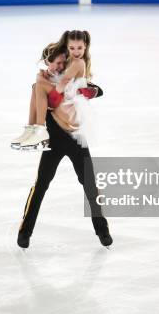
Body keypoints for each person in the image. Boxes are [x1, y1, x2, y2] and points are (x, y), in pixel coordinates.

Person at [15, 30, 113, 248]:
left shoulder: (75, 68)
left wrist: (91, 91)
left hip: (77, 137)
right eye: (54, 62)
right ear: (47, 62)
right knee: (41, 184)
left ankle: (103, 230)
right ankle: (25, 231)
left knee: (90, 184)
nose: (57, 66)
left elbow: (92, 87)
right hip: (55, 138)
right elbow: (51, 95)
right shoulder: (43, 82)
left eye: (62, 62)